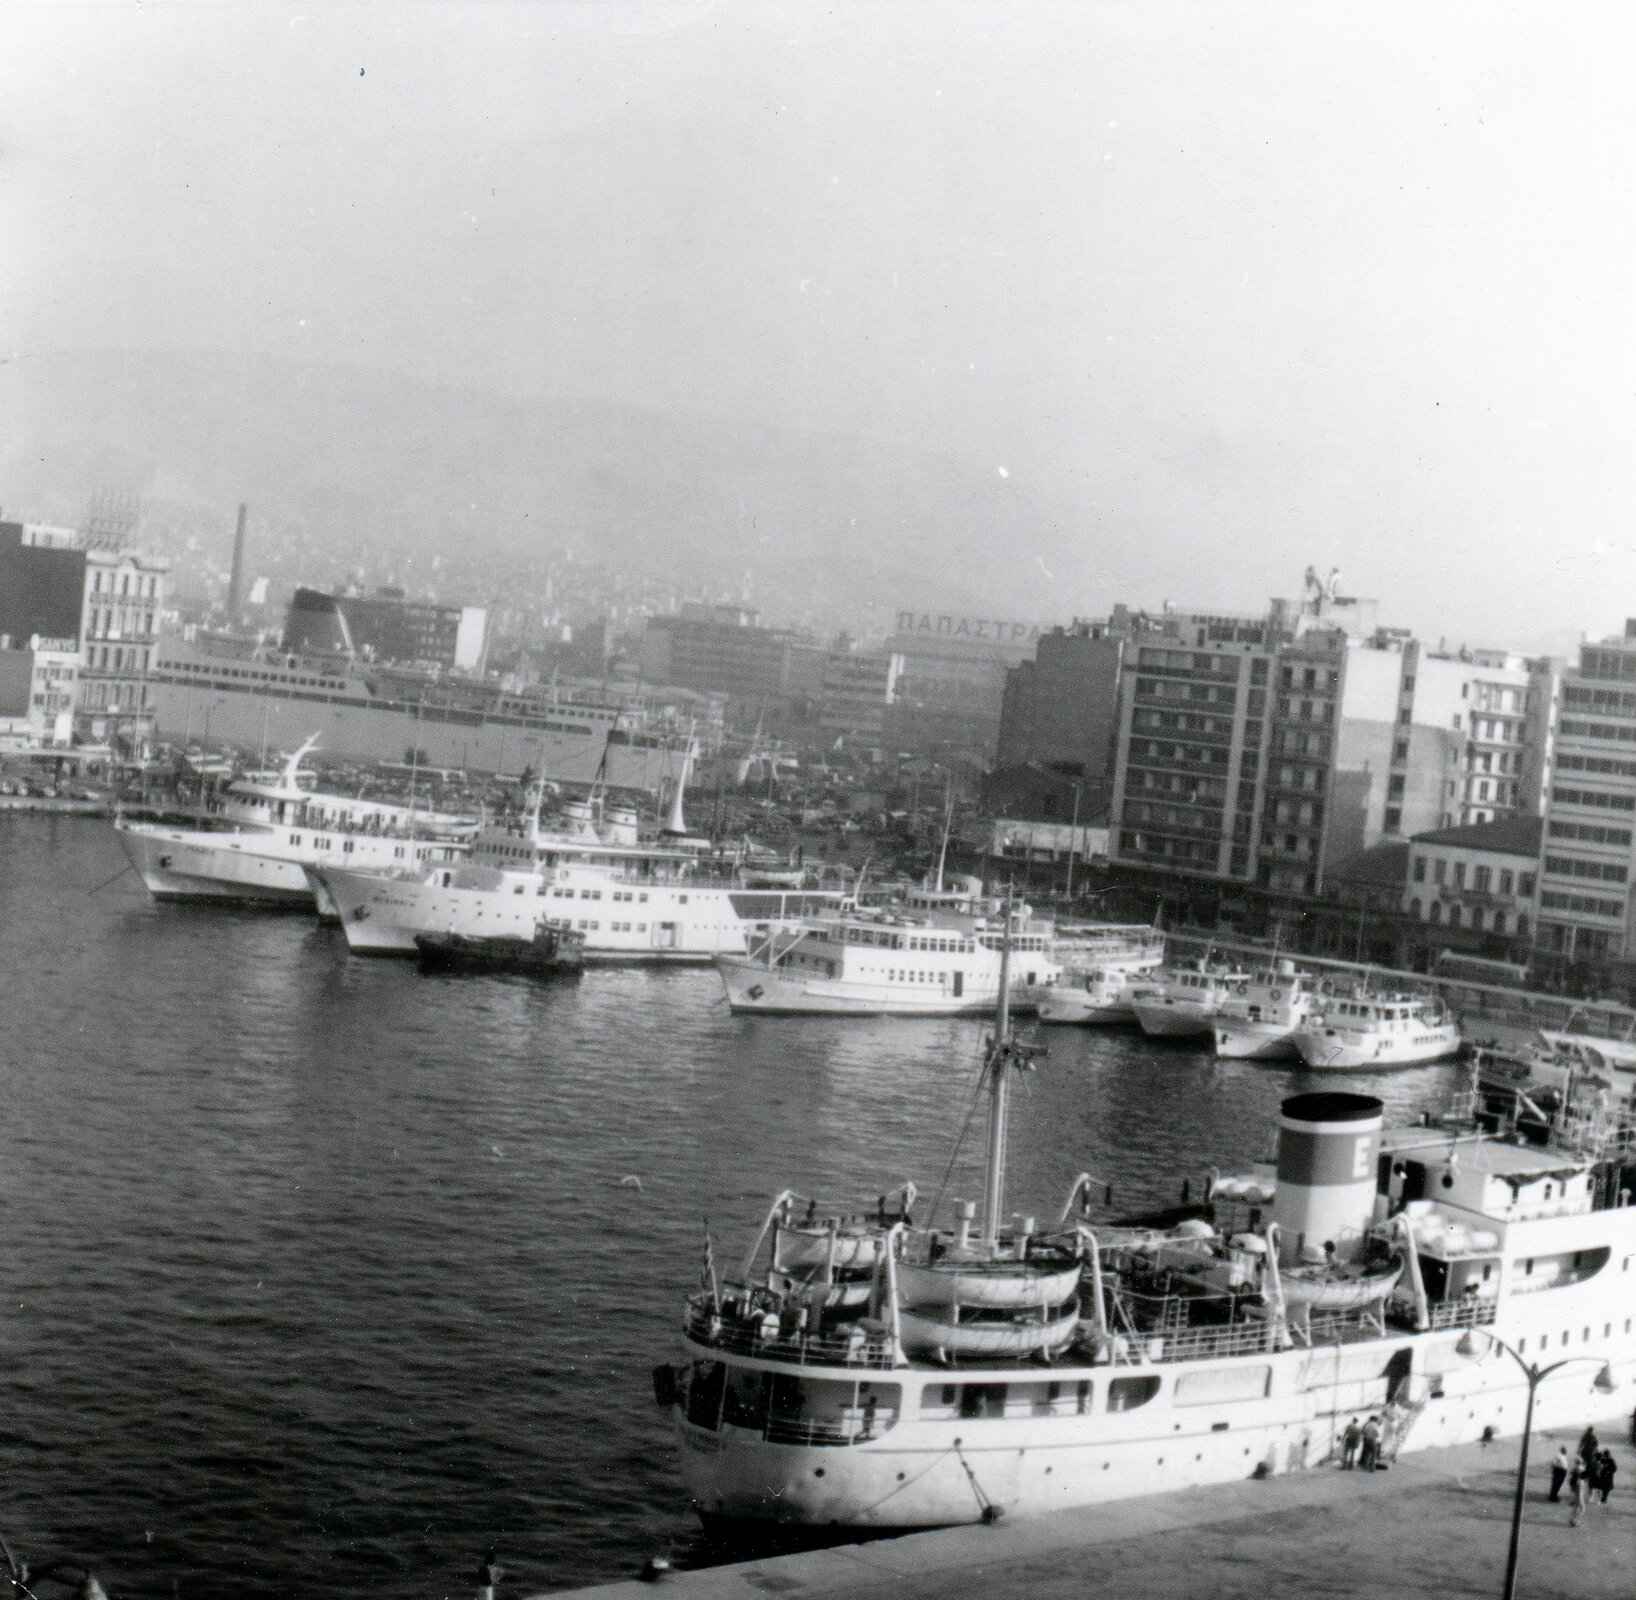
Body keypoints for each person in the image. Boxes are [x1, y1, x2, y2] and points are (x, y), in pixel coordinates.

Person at [1568, 1459, 1589, 1527]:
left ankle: (1573, 1520)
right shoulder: (1580, 1469)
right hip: (1579, 1488)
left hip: (1577, 1488)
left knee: (1577, 1506)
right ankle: (1574, 1520)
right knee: (1581, 1508)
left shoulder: (1575, 1469)